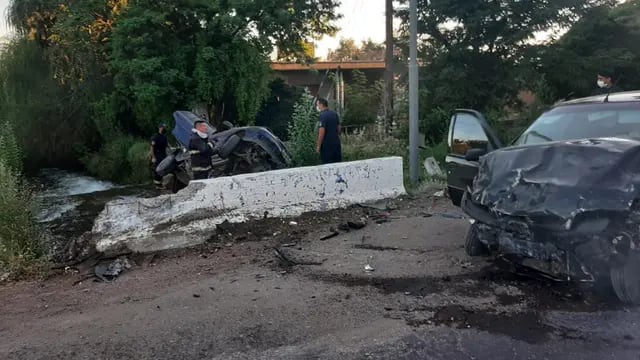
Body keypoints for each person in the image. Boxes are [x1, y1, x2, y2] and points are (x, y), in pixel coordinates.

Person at [315, 98, 342, 164]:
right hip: (336, 143)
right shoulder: (334, 114)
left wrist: (318, 146)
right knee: (338, 164)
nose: (317, 107)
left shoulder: (323, 116)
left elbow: (321, 132)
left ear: (321, 105)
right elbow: (339, 128)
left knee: (327, 165)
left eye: (317, 105)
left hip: (327, 146)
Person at [150, 123, 169, 189]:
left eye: (165, 127)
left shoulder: (165, 137)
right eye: (163, 127)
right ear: (160, 128)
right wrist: (153, 157)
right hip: (157, 155)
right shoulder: (155, 137)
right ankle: (157, 185)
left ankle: (160, 183)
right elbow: (152, 148)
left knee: (163, 169)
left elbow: (166, 147)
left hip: (163, 155)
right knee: (158, 170)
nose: (165, 129)